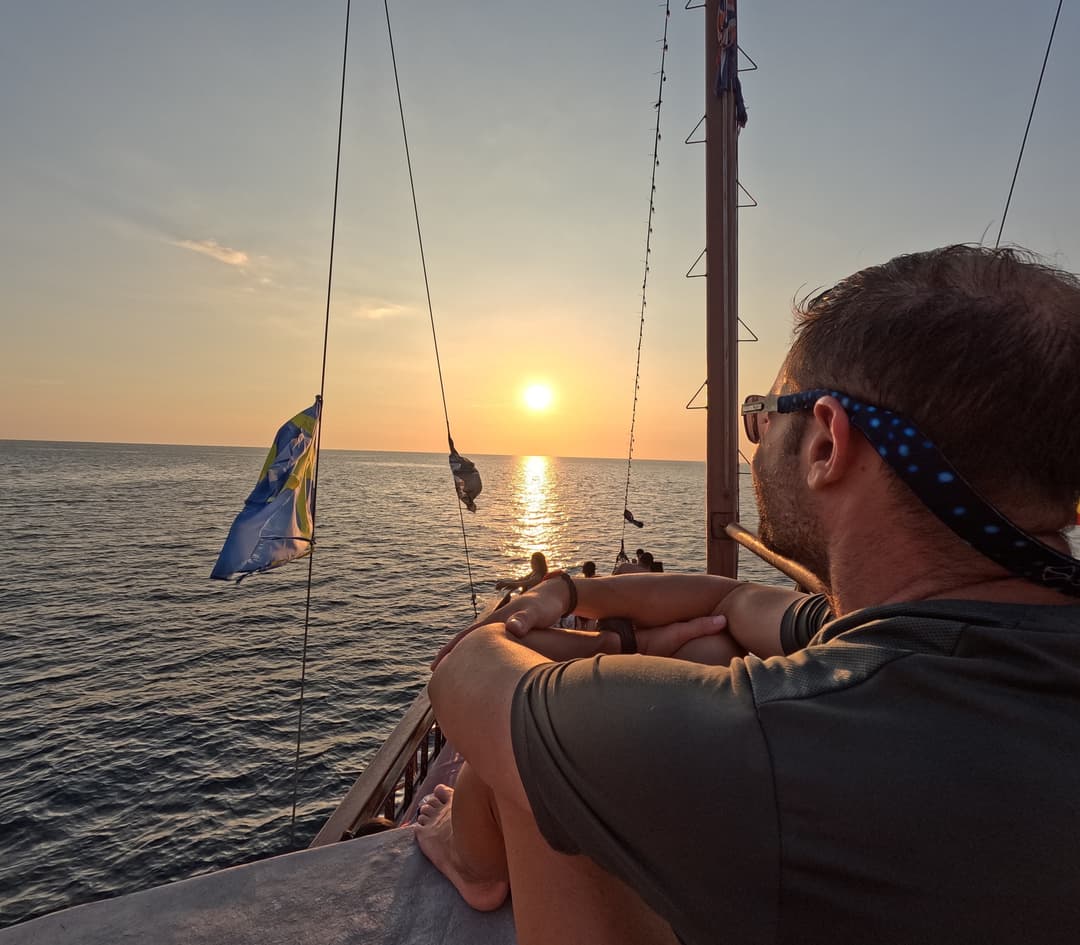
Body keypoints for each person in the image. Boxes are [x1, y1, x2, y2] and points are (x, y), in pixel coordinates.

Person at [417, 246, 1080, 945]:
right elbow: (732, 600)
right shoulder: (981, 634)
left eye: (762, 414)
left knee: (558, 716)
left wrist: (550, 639)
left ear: (826, 442)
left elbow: (460, 675)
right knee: (706, 644)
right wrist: (572, 592)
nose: (755, 442)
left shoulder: (793, 739)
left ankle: (471, 857)